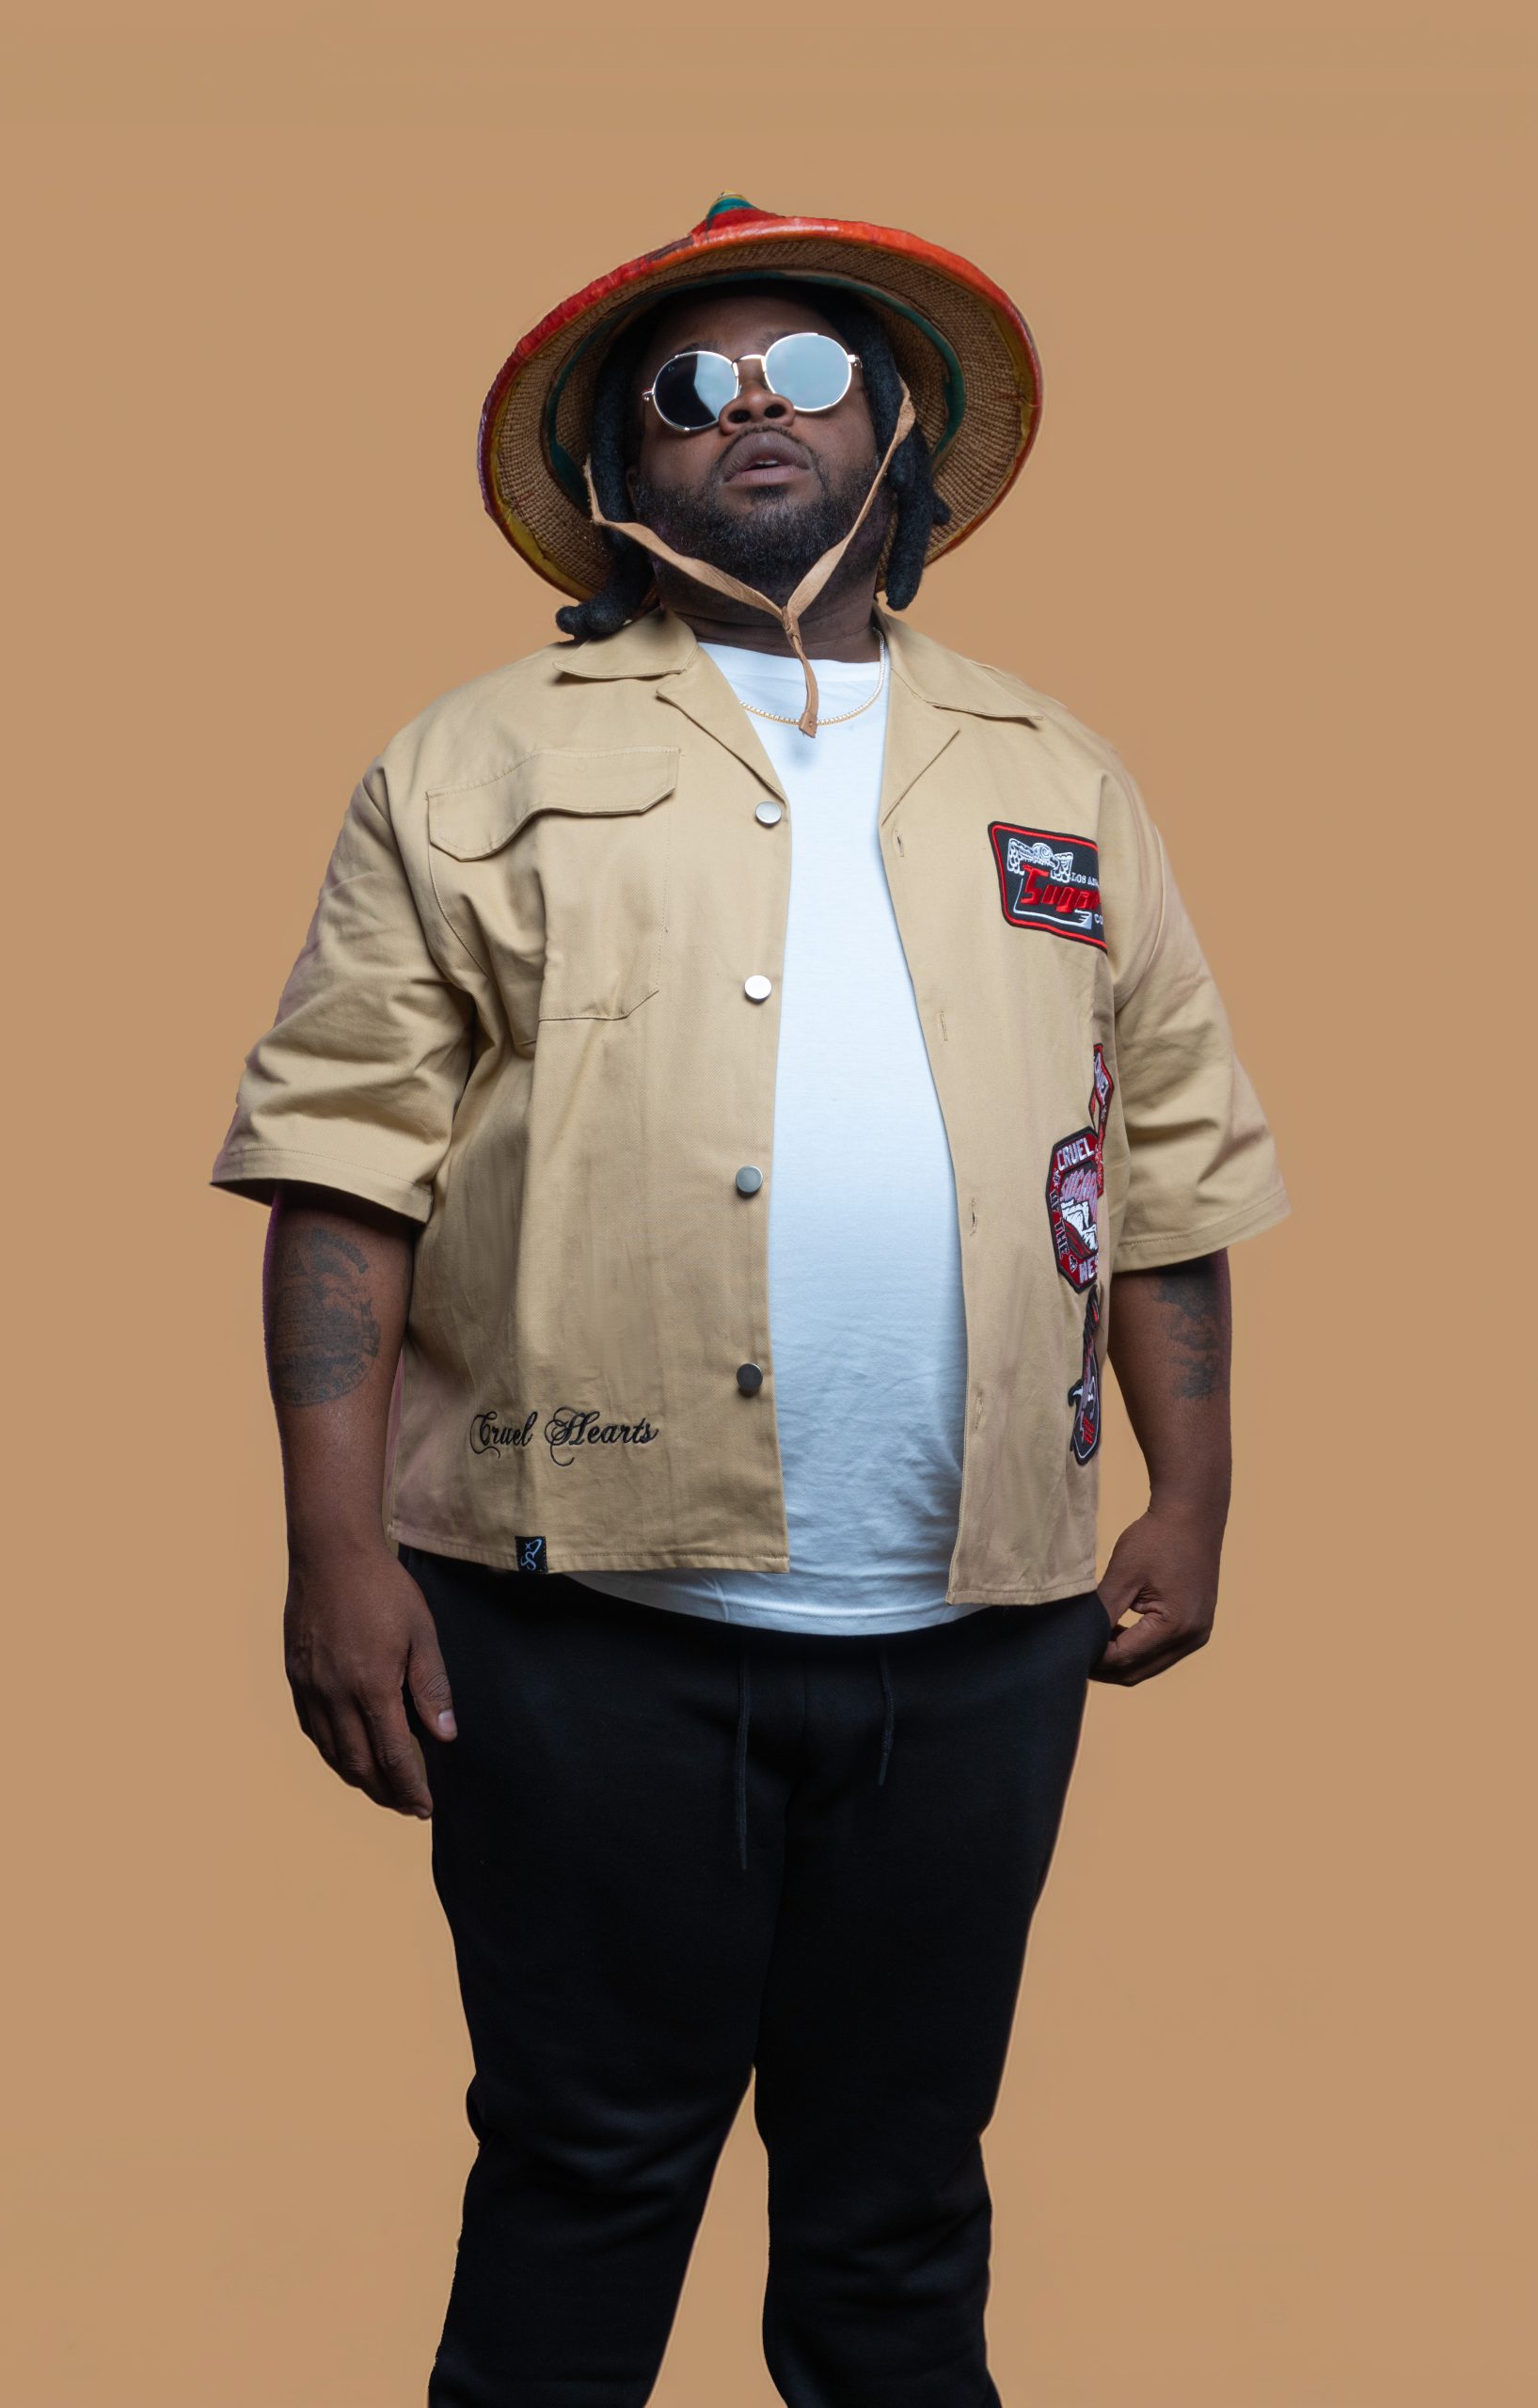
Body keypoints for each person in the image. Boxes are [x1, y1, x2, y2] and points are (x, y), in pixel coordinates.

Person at [211, 195, 1290, 2407]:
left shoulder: (1056, 772)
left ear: (896, 439)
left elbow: (1161, 1149)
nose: (749, 417)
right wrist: (333, 1552)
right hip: (571, 1617)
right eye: (686, 392)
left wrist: (1190, 1490)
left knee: (901, 2203)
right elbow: (339, 1167)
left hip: (984, 1626)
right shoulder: (469, 762)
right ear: (617, 475)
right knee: (584, 2172)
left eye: (805, 376)